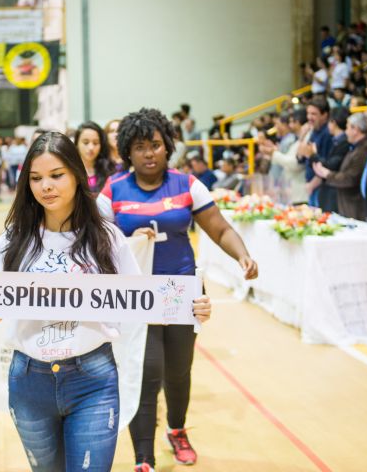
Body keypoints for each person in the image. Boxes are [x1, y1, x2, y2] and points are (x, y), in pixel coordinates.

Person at [0, 131, 212, 471]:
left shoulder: (107, 237)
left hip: (93, 381)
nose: (46, 187)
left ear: (75, 175)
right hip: (28, 382)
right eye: (36, 178)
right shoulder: (14, 239)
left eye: (56, 175)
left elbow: (140, 302)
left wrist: (188, 305)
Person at [97, 108, 258, 471]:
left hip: (182, 290)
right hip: (137, 294)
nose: (149, 153)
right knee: (147, 370)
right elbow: (95, 242)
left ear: (168, 146)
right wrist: (127, 238)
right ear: (127, 152)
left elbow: (219, 229)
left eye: (155, 145)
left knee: (179, 371)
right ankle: (143, 457)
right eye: (140, 147)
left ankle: (177, 429)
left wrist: (242, 255)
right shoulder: (113, 190)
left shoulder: (187, 185)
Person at [313, 113, 367, 220]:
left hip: (357, 210)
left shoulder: (364, 150)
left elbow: (350, 178)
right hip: (350, 208)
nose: (346, 132)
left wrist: (327, 174)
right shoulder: (356, 148)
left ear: (355, 129)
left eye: (348, 128)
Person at [74, 121, 116, 194]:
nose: (91, 147)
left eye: (95, 143)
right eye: (86, 142)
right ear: (77, 143)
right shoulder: (70, 171)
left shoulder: (111, 170)